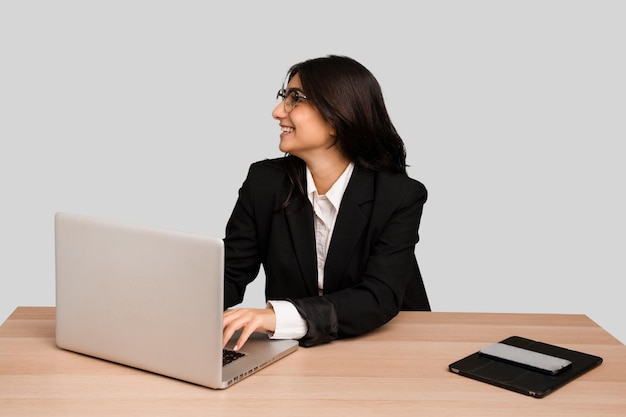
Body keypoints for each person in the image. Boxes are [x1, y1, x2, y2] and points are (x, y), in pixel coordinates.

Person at [222, 55, 430, 350]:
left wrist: (276, 316)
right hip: (298, 351)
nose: (277, 111)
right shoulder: (264, 182)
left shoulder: (398, 196)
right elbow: (230, 274)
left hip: (391, 345)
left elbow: (378, 296)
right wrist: (170, 306)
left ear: (337, 117)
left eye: (296, 99)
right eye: (284, 97)